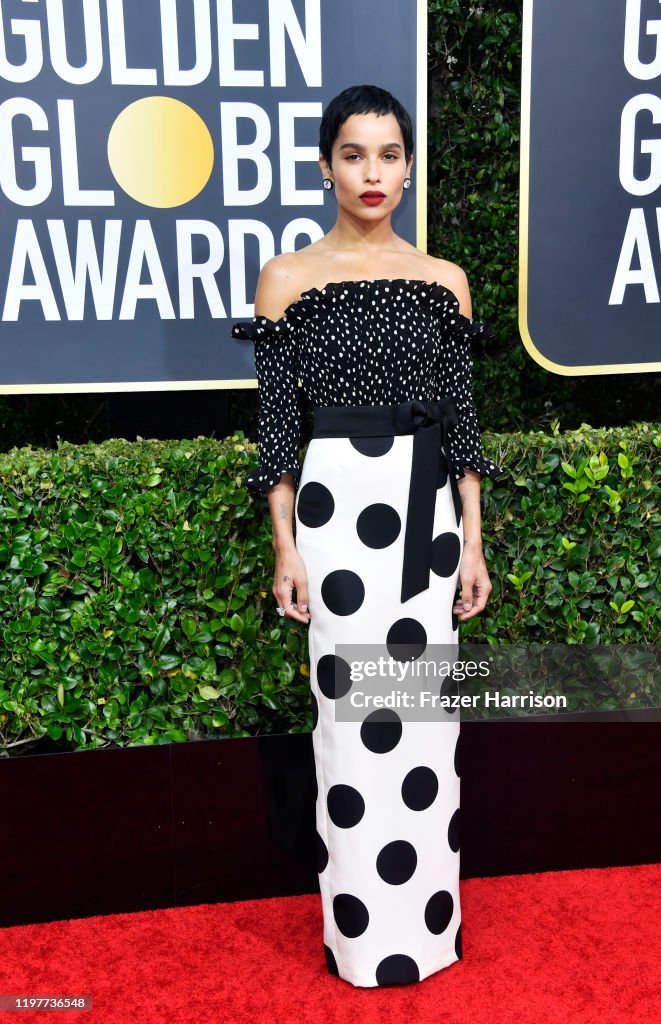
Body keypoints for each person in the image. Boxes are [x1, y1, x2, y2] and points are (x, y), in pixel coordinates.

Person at [232, 84, 501, 988]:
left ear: (410, 166)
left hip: (425, 523)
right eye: (354, 154)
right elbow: (276, 434)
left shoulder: (444, 282)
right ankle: (362, 941)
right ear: (325, 165)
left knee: (425, 726)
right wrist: (285, 548)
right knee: (350, 727)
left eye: (389, 154)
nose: (372, 172)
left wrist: (471, 540)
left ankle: (427, 930)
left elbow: (463, 427)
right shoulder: (285, 279)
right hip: (335, 521)